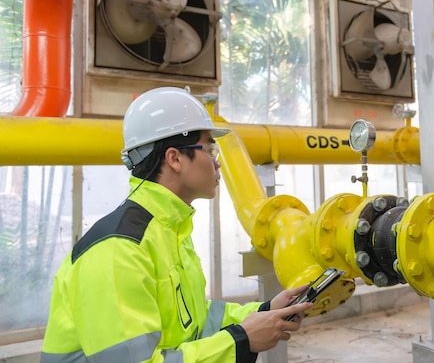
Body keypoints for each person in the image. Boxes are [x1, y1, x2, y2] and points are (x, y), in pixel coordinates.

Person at [41, 87, 312, 363]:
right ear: (175, 158)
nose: (217, 164)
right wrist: (241, 339)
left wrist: (264, 312)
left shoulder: (169, 229)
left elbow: (196, 323)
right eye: (209, 149)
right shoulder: (120, 250)